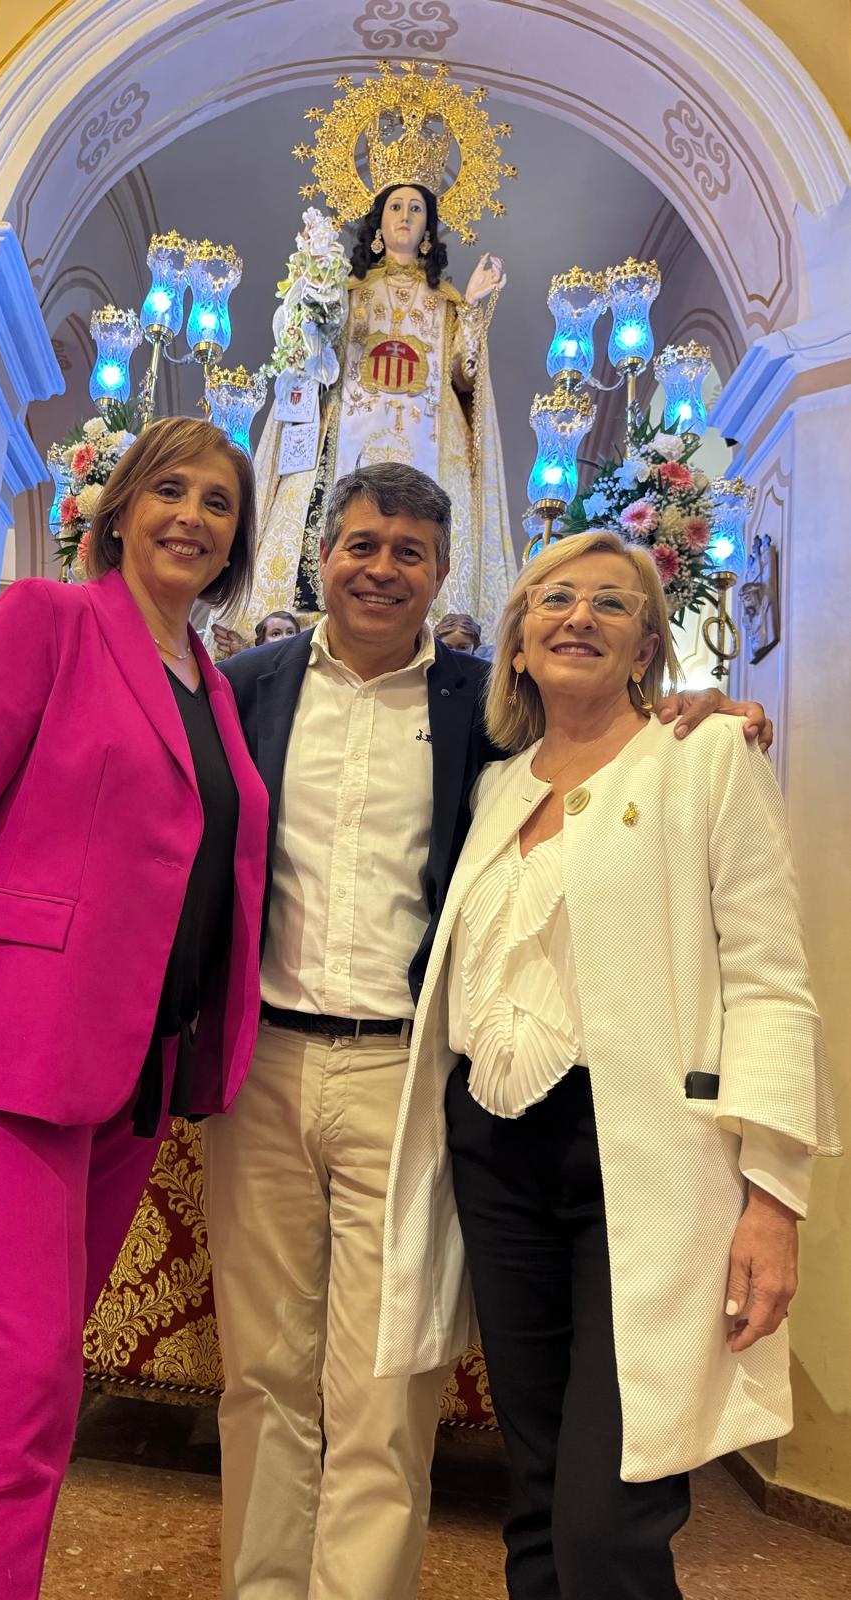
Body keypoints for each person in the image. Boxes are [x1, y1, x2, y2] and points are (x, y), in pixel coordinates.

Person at [205, 465, 772, 1600]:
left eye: (409, 553)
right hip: (261, 1061)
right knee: (262, 1372)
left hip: (401, 1074)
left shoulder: (477, 709)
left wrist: (700, 710)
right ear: (322, 554)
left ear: (442, 575)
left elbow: (607, 759)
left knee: (384, 1377)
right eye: (361, 544)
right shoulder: (240, 685)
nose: (380, 568)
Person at [0, 417, 269, 1600]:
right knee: (30, 1387)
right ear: (121, 505)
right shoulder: (45, 619)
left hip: (131, 1080)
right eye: (169, 489)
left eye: (218, 503)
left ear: (237, 540)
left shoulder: (215, 687)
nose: (191, 515)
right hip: (7, 1062)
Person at [377, 529, 839, 1600]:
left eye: (610, 603)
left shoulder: (703, 759)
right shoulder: (495, 788)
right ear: (519, 641)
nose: (577, 615)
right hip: (495, 1158)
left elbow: (771, 981)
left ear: (646, 646)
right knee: (535, 1484)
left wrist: (774, 1195)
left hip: (641, 1161)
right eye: (554, 599)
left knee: (608, 1511)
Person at [249, 182, 513, 635]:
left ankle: (441, 621)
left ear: (429, 228)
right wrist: (313, 301)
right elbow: (317, 364)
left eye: (416, 208)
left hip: (430, 437)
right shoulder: (346, 292)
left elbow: (465, 378)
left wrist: (472, 309)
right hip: (348, 433)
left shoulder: (447, 302)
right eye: (396, 207)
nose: (405, 216)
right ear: (379, 221)